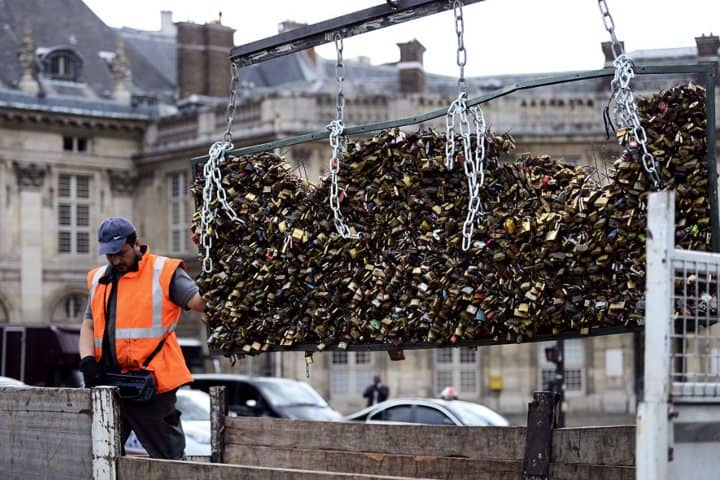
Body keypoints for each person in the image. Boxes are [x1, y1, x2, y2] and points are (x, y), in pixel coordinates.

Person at [78, 216, 205, 460]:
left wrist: (217, 283)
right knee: (100, 456)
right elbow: (89, 325)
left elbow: (198, 302)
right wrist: (87, 361)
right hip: (110, 383)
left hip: (152, 386)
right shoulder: (98, 279)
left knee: (168, 458)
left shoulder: (163, 271)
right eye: (109, 255)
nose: (115, 260)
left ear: (136, 243)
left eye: (120, 253)